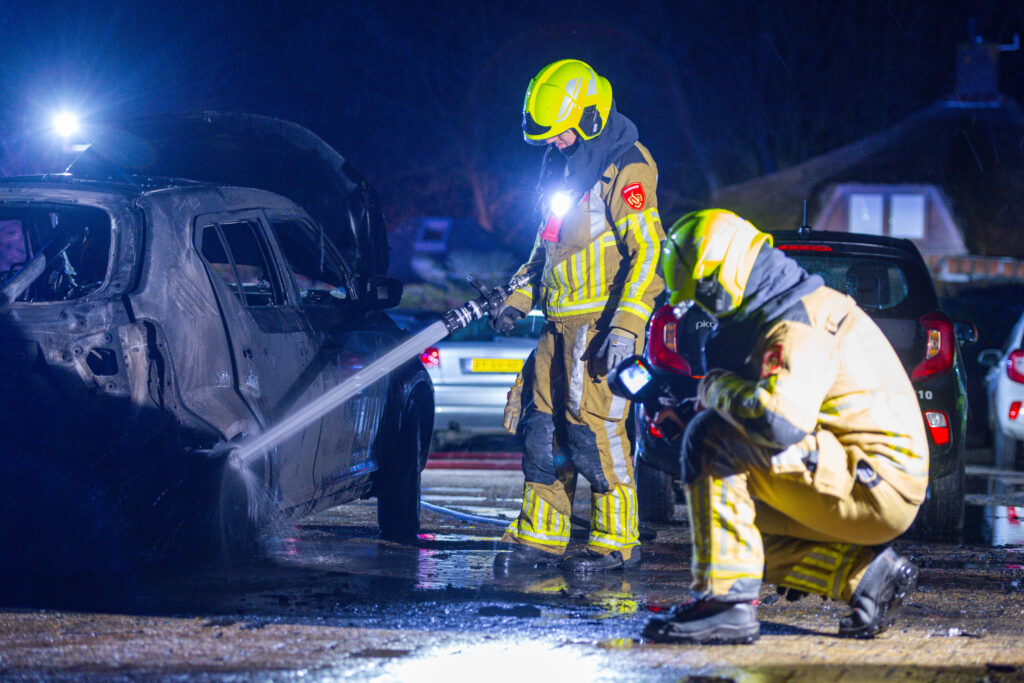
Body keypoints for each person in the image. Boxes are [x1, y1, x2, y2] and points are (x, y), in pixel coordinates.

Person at [643, 209, 927, 643]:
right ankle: (865, 577)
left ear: (727, 270)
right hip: (868, 475)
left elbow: (779, 421)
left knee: (711, 440)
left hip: (873, 478)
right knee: (730, 532)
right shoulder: (786, 306)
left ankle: (724, 607)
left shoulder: (797, 320)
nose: (705, 305)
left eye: (705, 291)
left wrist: (713, 392)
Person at [491, 59, 665, 572]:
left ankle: (616, 542)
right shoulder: (559, 167)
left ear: (591, 118)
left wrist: (626, 326)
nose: (553, 143)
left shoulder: (627, 166)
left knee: (593, 432)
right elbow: (544, 249)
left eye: (559, 133)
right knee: (542, 429)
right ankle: (541, 536)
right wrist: (517, 300)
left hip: (599, 328)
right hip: (556, 327)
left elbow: (649, 252)